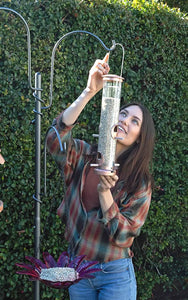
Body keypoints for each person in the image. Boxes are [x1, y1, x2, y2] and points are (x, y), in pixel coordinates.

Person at [46, 53, 155, 300]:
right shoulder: (85, 155)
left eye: (135, 121)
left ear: (140, 138)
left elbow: (124, 236)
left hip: (114, 273)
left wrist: (106, 194)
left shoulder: (139, 181)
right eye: (124, 114)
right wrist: (89, 91)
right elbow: (54, 141)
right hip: (79, 270)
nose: (125, 120)